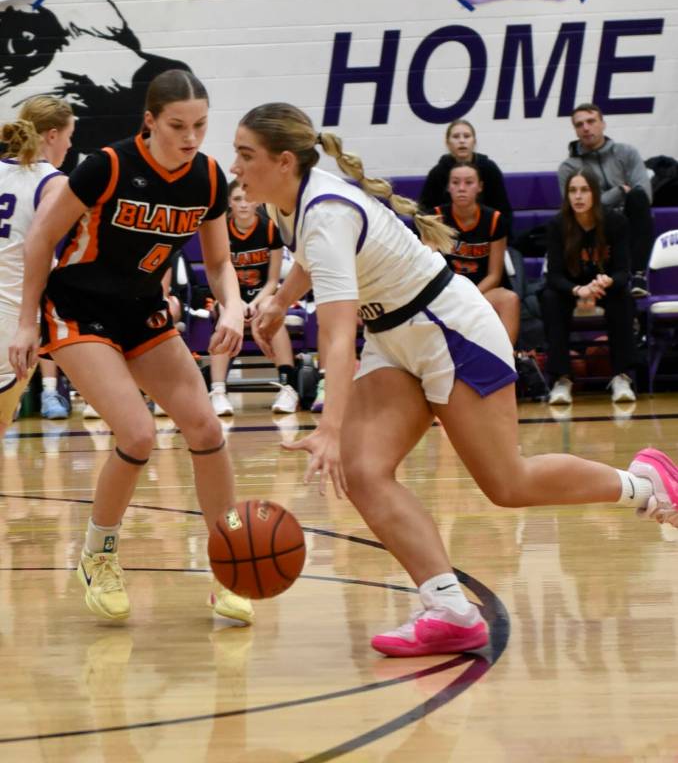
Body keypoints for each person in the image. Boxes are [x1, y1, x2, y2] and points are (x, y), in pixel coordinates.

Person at [230, 102, 678, 659]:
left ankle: (645, 482)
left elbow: (337, 337)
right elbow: (313, 264)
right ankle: (450, 610)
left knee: (507, 484)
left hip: (450, 330)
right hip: (395, 336)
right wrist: (279, 300)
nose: (235, 167)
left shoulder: (324, 213)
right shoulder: (293, 203)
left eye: (245, 155)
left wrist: (329, 426)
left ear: (283, 160)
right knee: (365, 472)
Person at [9, 69, 252, 627]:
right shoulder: (107, 165)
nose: (190, 137)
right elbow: (42, 237)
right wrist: (27, 323)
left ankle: (227, 565)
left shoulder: (209, 179)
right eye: (177, 125)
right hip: (76, 305)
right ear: (149, 121)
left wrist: (233, 306)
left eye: (200, 125)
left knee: (206, 428)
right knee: (138, 433)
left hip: (140, 308)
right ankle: (98, 553)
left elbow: (217, 262)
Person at [433, 161, 546, 398]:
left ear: (480, 187)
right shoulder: (436, 218)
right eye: (456, 183)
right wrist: (456, 294)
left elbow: (495, 274)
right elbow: (429, 266)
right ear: (448, 188)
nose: (462, 188)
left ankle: (504, 362)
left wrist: (470, 295)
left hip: (481, 290)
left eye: (468, 182)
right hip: (445, 291)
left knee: (510, 299)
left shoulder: (494, 220)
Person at [1, 96, 74, 432]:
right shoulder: (54, 182)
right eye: (70, 136)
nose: (71, 146)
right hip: (12, 317)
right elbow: (38, 248)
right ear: (53, 135)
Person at [543, 168, 638, 407]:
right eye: (573, 191)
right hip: (570, 288)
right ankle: (562, 380)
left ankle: (621, 377)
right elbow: (553, 275)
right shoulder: (557, 225)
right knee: (550, 298)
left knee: (623, 298)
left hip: (603, 287)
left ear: (595, 193)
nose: (578, 196)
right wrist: (577, 290)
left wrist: (608, 281)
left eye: (584, 190)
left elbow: (622, 271)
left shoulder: (615, 222)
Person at [208, 180, 300, 417]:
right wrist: (235, 302)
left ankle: (287, 386)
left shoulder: (269, 228)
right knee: (226, 314)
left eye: (247, 198)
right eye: (237, 199)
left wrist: (256, 302)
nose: (243, 204)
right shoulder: (221, 229)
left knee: (272, 310)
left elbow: (272, 281)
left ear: (257, 201)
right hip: (230, 294)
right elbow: (217, 273)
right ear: (229, 202)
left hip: (263, 294)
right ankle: (217, 390)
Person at [558, 103, 653, 297]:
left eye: (591, 121)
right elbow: (577, 205)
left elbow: (645, 194)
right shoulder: (569, 167)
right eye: (579, 124)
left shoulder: (627, 153)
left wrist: (602, 198)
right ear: (575, 130)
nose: (585, 128)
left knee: (637, 198)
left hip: (629, 220)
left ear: (603, 124)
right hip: (596, 224)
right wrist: (619, 190)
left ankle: (638, 275)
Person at [418, 118, 513, 235]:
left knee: (514, 254)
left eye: (467, 136)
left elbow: (503, 210)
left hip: (486, 237)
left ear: (474, 142)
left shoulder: (489, 168)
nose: (462, 141)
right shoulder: (438, 173)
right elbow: (424, 213)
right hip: (448, 238)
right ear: (447, 143)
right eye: (456, 136)